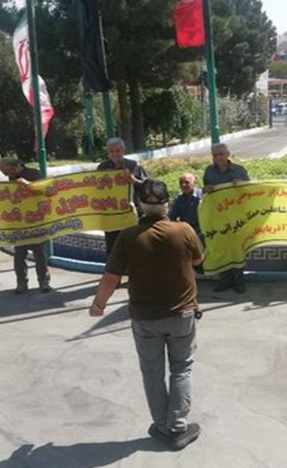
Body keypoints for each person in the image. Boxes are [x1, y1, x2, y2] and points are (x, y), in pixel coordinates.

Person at [88, 179, 204, 451]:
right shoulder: (184, 230)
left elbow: (110, 277)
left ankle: (163, 426)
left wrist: (98, 306)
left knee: (152, 373)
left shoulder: (128, 237)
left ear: (139, 206)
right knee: (181, 368)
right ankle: (176, 427)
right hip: (182, 315)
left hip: (145, 318)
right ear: (168, 205)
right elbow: (199, 260)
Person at [202, 142, 250, 293]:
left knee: (237, 248)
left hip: (236, 217)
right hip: (218, 218)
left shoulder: (239, 170)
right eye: (215, 155)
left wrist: (242, 184)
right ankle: (225, 279)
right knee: (221, 247)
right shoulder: (209, 171)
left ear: (228, 155)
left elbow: (250, 190)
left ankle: (239, 281)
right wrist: (205, 189)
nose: (218, 158)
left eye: (221, 154)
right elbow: (205, 193)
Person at [0, 157, 51, 294]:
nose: (6, 175)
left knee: (39, 252)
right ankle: (21, 282)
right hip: (19, 222)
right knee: (19, 253)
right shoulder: (11, 179)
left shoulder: (34, 174)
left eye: (7, 172)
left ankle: (43, 282)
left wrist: (27, 184)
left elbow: (44, 191)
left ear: (15, 167)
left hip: (35, 220)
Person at [97, 138, 149, 258]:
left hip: (130, 215)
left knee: (133, 248)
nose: (115, 154)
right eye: (111, 151)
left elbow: (148, 187)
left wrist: (133, 181)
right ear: (108, 152)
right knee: (113, 250)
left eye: (118, 151)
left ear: (123, 150)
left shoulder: (133, 166)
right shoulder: (102, 167)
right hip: (111, 216)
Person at [168, 173, 203, 238]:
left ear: (194, 183)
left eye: (187, 182)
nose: (183, 185)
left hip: (203, 232)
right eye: (181, 183)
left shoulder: (203, 196)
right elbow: (171, 218)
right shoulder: (178, 200)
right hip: (187, 234)